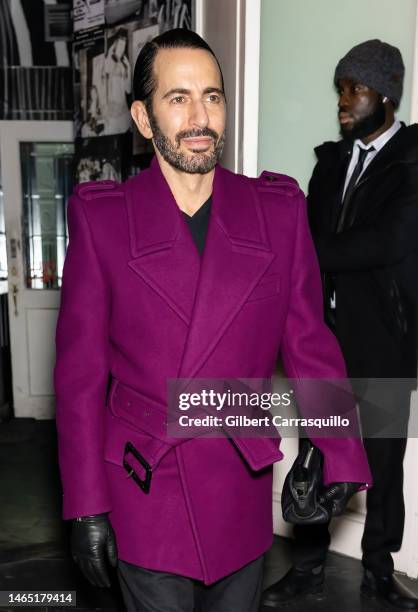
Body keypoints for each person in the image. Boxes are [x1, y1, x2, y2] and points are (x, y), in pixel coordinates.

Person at [54, 29, 371, 612]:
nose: (201, 116)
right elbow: (79, 382)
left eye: (213, 96)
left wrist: (341, 447)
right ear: (144, 120)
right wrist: (86, 506)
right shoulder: (103, 222)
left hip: (240, 478)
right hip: (145, 480)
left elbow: (308, 343)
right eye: (178, 98)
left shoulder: (276, 212)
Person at [262, 39, 418, 610]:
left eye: (354, 90)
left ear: (385, 95)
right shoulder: (329, 163)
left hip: (385, 340)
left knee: (382, 459)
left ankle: (379, 569)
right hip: (320, 340)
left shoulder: (412, 160)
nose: (344, 101)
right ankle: (306, 569)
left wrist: (306, 251)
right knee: (317, 452)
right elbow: (299, 232)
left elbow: (387, 241)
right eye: (341, 90)